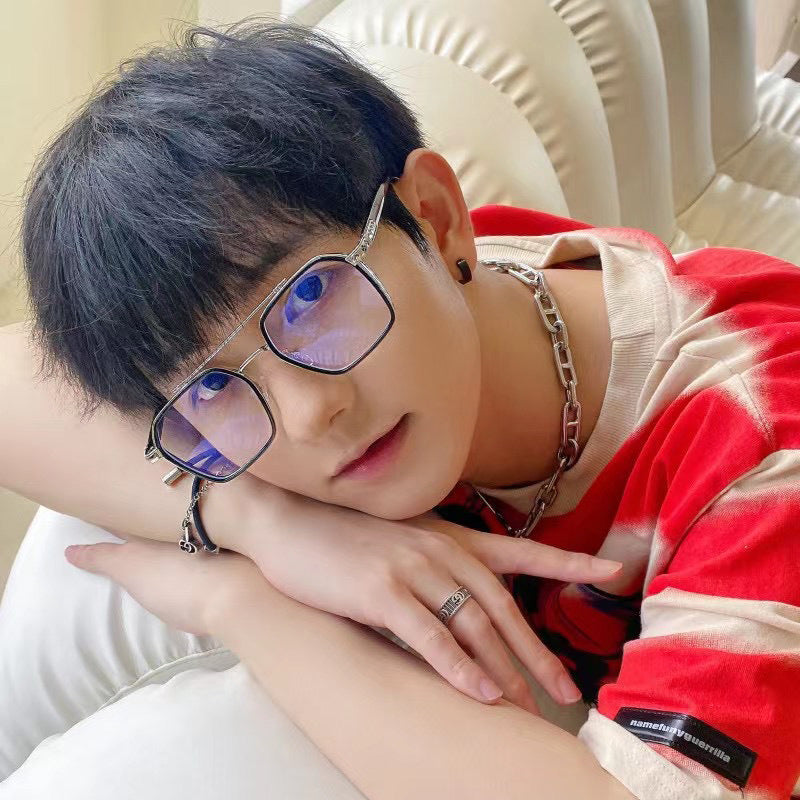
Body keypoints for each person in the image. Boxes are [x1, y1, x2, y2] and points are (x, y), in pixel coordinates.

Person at [2, 18, 799, 800]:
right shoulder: (405, 280)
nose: (309, 414)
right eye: (210, 383)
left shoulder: (760, 430)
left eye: (308, 297)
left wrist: (239, 601)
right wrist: (272, 527)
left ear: (439, 218)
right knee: (90, 545)